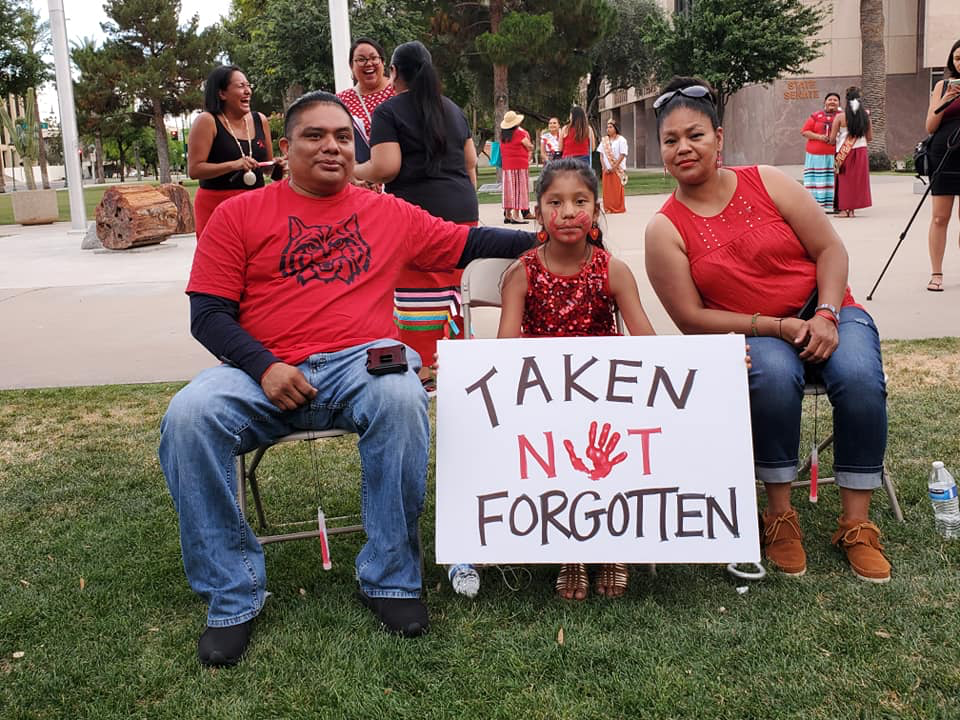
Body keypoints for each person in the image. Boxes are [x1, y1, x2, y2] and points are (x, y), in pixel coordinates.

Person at [159, 90, 534, 667]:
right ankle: (232, 595)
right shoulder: (238, 215)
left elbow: (469, 242)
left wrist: (549, 237)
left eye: (342, 137)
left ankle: (391, 578)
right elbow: (207, 314)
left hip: (361, 363)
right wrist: (264, 366)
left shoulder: (387, 213)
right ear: (286, 149)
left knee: (401, 395)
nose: (331, 146)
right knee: (188, 417)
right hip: (260, 369)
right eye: (314, 135)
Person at [644, 77, 890, 585]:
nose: (684, 148)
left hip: (827, 308)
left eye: (695, 135)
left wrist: (826, 314)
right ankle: (779, 515)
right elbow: (691, 318)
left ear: (718, 137)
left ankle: (857, 524)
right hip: (755, 332)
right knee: (774, 379)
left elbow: (830, 249)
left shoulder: (767, 181)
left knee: (860, 377)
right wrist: (776, 326)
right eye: (671, 140)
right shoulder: (664, 229)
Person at [448, 159, 656, 602]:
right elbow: (505, 351)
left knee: (606, 448)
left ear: (596, 210)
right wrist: (463, 372)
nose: (568, 212)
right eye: (555, 203)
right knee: (561, 443)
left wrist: (714, 363)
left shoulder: (613, 270)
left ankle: (613, 544)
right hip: (543, 402)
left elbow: (651, 347)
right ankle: (571, 551)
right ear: (538, 211)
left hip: (607, 400)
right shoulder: (522, 273)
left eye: (580, 202)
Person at [354, 41, 478, 391]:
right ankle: (456, 362)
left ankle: (423, 369)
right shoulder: (452, 108)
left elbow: (386, 167)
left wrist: (354, 170)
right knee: (455, 291)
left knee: (417, 296)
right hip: (462, 212)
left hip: (417, 217)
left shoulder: (389, 111)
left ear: (394, 72)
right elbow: (470, 162)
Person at [188, 65, 279, 238]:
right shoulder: (207, 121)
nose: (248, 91)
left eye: (248, 85)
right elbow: (195, 170)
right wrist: (234, 165)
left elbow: (268, 170)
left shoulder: (260, 119)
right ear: (222, 93)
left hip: (255, 203)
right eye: (240, 86)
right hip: (217, 205)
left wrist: (278, 165)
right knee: (220, 253)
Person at [924, 38, 960, 292]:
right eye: (957, 58)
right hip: (943, 155)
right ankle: (936, 273)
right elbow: (930, 126)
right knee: (939, 217)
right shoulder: (942, 86)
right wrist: (945, 100)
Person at [336, 37, 395, 158]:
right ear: (351, 66)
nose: (368, 64)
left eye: (374, 58)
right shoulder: (340, 102)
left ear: (383, 62)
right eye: (361, 59)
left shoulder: (398, 91)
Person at [829, 86, 873, 218]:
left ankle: (844, 210)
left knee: (844, 181)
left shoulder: (840, 117)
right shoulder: (865, 117)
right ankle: (852, 210)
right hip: (861, 151)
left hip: (844, 153)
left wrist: (833, 139)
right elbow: (870, 137)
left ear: (846, 100)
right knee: (856, 180)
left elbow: (832, 139)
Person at [800, 92, 841, 212]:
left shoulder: (842, 117)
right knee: (817, 180)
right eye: (830, 99)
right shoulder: (815, 116)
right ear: (825, 102)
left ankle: (834, 205)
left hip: (835, 155)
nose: (832, 102)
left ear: (839, 103)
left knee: (833, 180)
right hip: (816, 156)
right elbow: (805, 131)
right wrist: (819, 137)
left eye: (835, 100)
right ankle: (816, 206)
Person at [499, 110, 534, 224]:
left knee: (509, 190)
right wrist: (531, 147)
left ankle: (507, 214)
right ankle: (516, 215)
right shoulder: (520, 133)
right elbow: (529, 146)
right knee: (518, 190)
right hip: (519, 165)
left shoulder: (503, 136)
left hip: (507, 166)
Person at [599, 119, 628, 213]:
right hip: (606, 170)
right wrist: (604, 166)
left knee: (616, 189)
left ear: (615, 128)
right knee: (607, 190)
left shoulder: (621, 140)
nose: (608, 129)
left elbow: (622, 154)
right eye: (607, 127)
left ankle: (618, 208)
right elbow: (601, 155)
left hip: (617, 169)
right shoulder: (604, 140)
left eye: (610, 127)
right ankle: (608, 208)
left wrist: (614, 167)